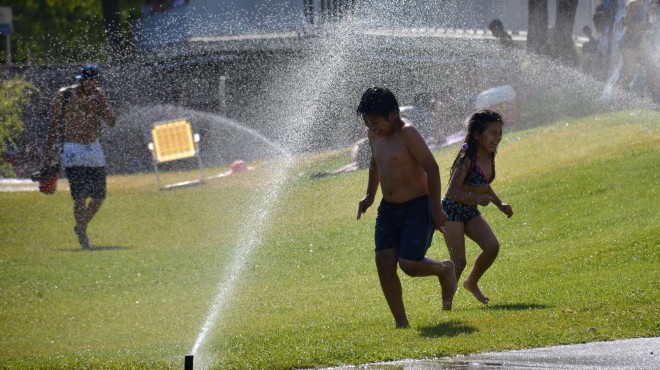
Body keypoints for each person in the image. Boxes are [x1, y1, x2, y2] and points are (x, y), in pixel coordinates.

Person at [355, 87, 457, 328]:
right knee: (384, 262)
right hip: (388, 209)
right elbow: (375, 163)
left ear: (392, 115)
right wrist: (370, 195)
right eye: (367, 122)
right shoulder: (374, 134)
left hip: (417, 206)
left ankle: (444, 269)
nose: (371, 127)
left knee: (409, 264)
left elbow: (432, 168)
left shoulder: (408, 133)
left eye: (375, 121)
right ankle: (401, 322)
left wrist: (435, 208)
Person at [441, 110, 512, 305]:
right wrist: (476, 198)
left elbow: (484, 185)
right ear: (477, 135)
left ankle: (471, 282)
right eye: (493, 132)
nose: (497, 137)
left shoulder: (489, 155)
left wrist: (500, 204)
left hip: (469, 210)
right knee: (459, 261)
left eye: (499, 132)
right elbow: (451, 192)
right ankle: (446, 304)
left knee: (492, 247)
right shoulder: (467, 159)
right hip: (452, 211)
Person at [43, 64, 116, 250]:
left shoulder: (99, 95)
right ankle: (83, 237)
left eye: (94, 81)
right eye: (86, 81)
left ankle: (80, 225)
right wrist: (48, 153)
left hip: (94, 148)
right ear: (82, 80)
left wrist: (104, 107)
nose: (90, 84)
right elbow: (54, 125)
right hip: (73, 148)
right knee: (80, 197)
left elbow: (111, 122)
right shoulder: (64, 95)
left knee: (99, 196)